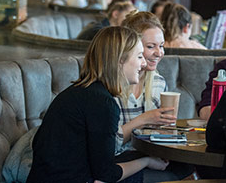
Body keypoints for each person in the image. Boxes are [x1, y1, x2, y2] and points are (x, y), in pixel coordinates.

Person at [27, 26, 168, 182]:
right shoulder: (103, 103)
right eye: (140, 56)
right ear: (120, 60)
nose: (143, 64)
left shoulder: (80, 91)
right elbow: (106, 174)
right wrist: (146, 161)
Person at [118, 11, 194, 182]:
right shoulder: (113, 85)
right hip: (120, 161)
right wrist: (144, 119)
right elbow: (109, 143)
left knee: (190, 168)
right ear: (131, 47)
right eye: (151, 46)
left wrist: (167, 134)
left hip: (149, 154)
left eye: (161, 46)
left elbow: (158, 134)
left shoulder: (158, 83)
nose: (159, 53)